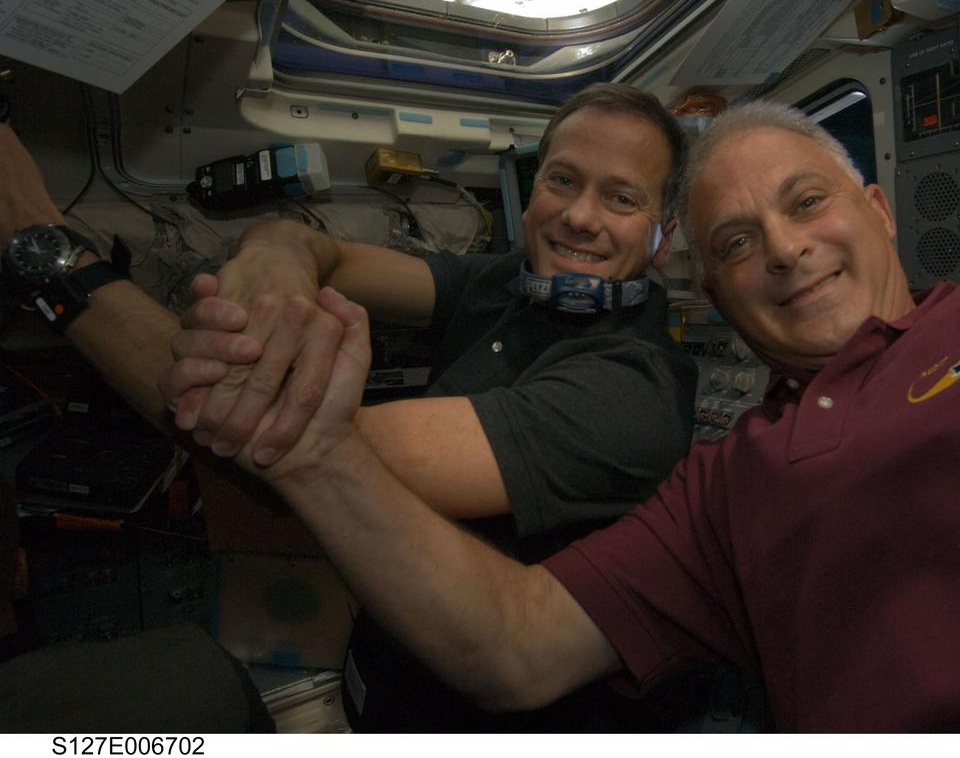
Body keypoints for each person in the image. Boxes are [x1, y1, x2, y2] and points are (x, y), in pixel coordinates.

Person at [169, 98, 960, 731]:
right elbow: (510, 643)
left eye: (805, 203)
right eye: (736, 243)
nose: (783, 249)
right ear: (708, 284)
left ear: (878, 211)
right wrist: (309, 447)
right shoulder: (732, 489)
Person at [0, 83, 700, 731]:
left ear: (663, 234)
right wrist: (279, 255)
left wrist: (44, 251)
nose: (578, 217)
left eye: (621, 199)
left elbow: (263, 436)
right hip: (384, 657)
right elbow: (324, 251)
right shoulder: (512, 282)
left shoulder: (632, 392)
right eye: (562, 181)